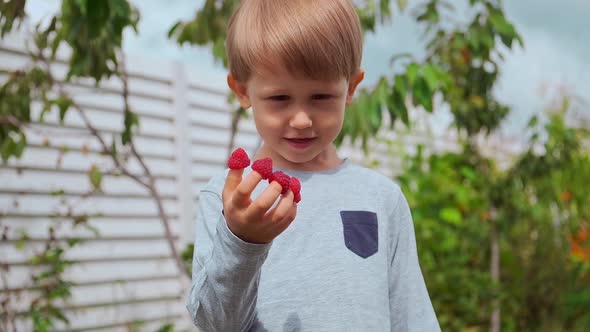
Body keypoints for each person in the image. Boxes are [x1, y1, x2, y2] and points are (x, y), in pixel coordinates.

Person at [186, 0, 440, 330]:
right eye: (280, 99)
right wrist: (242, 242)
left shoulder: (382, 198)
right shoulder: (229, 200)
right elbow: (216, 322)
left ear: (350, 88)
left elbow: (412, 316)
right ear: (242, 91)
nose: (303, 119)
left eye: (321, 97)